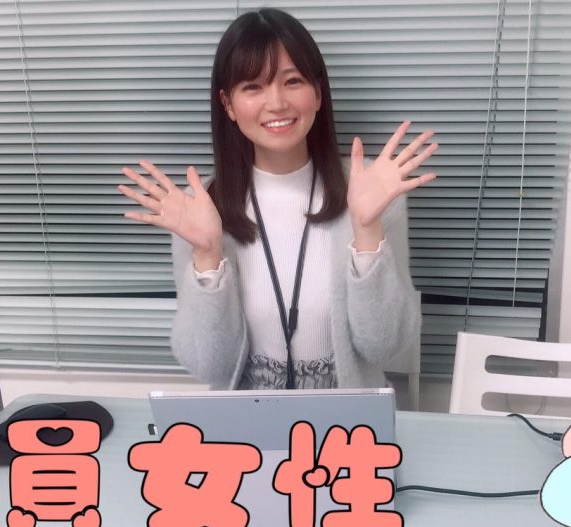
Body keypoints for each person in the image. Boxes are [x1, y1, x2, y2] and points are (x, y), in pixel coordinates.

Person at [117, 8, 436, 389]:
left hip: (347, 421)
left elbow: (385, 346)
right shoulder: (200, 207)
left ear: (317, 92)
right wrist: (207, 255)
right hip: (245, 422)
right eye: (253, 87)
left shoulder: (371, 190)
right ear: (228, 104)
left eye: (293, 81)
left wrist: (367, 232)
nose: (277, 102)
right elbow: (209, 367)